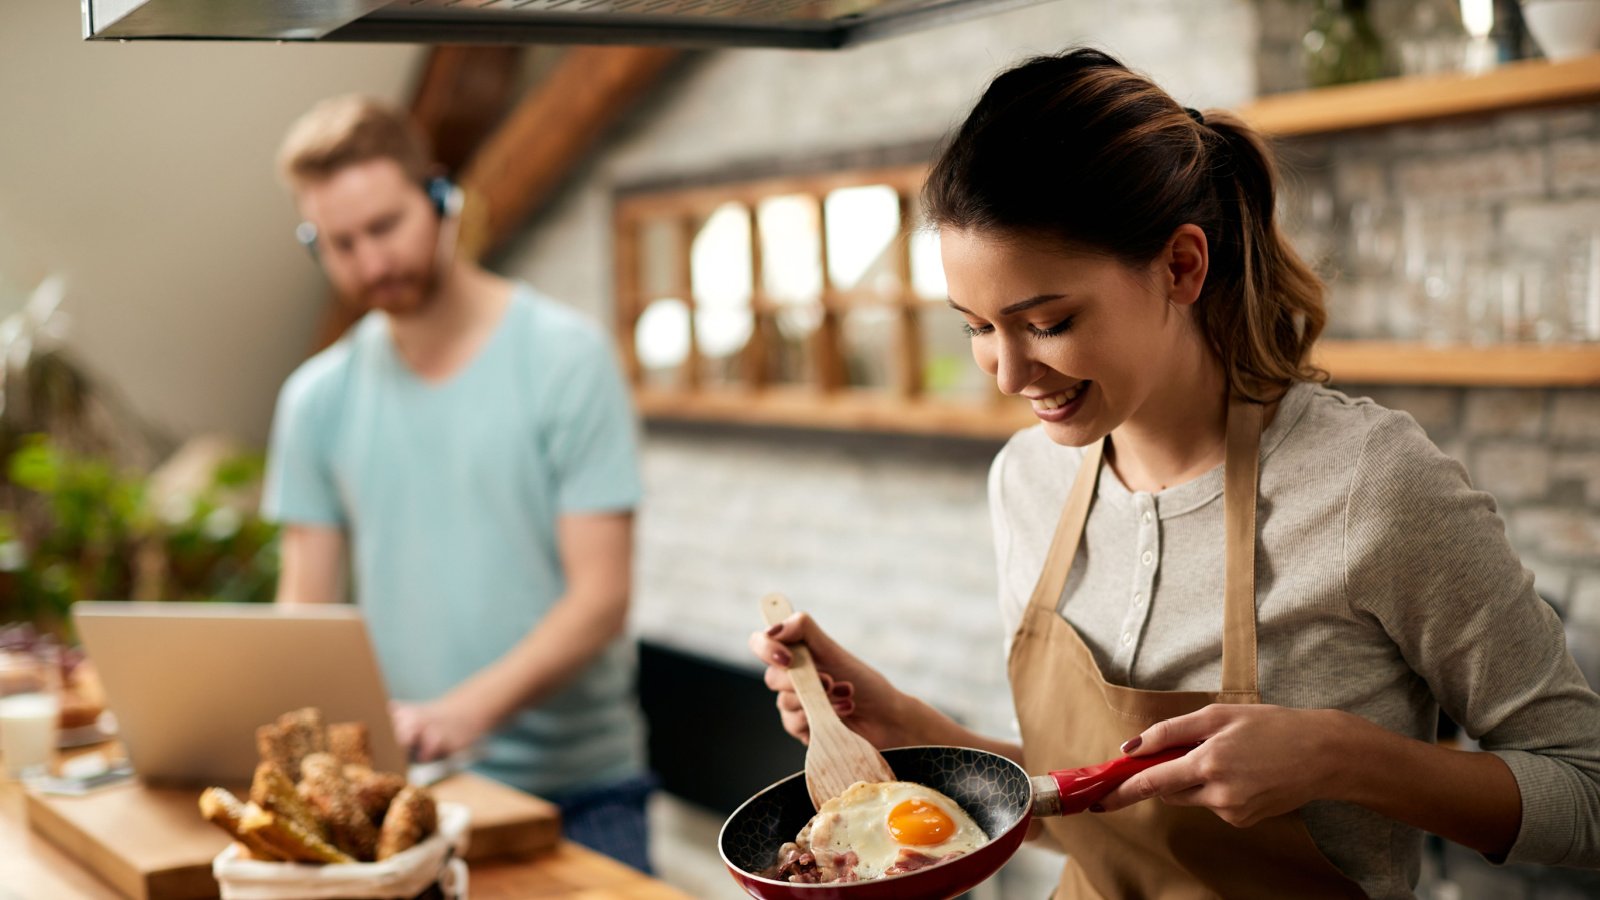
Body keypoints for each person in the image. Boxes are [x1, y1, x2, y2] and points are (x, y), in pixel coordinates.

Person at [749, 49, 1600, 897]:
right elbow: (1102, 813)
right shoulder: (1027, 483)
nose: (1006, 375)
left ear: (1182, 266)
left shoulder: (1369, 485)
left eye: (1045, 322)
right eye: (975, 327)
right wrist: (908, 726)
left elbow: (1588, 793)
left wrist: (1348, 758)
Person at [262, 95, 653, 872]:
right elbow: (303, 610)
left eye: (385, 227)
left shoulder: (566, 360)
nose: (370, 262)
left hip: (574, 796)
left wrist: (459, 715)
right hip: (402, 800)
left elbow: (601, 598)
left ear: (441, 200)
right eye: (340, 244)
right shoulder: (315, 398)